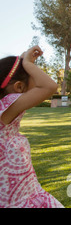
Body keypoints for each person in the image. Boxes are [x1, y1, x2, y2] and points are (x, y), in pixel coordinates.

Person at [0, 46, 63, 208]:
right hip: (19, 201)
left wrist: (22, 61)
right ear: (19, 88)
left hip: (25, 195)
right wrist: (27, 64)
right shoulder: (6, 107)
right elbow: (48, 87)